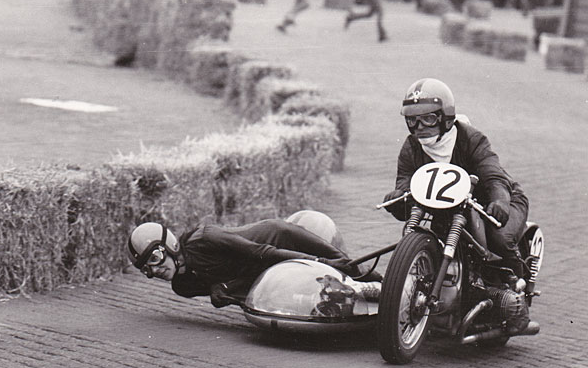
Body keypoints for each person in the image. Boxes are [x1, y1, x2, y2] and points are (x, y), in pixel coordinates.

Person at [382, 78, 530, 281]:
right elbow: (406, 185)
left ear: (446, 118)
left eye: (428, 119)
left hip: (496, 202)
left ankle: (516, 295)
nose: (419, 127)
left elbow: (494, 176)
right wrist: (399, 198)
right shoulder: (411, 148)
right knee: (431, 238)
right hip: (453, 210)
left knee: (499, 239)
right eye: (412, 120)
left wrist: (500, 201)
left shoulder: (471, 139)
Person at [127, 214, 381, 308]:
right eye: (147, 270)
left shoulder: (204, 238)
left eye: (156, 258)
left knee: (345, 267)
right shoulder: (183, 286)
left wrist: (317, 259)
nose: (155, 269)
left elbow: (262, 253)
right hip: (266, 270)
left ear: (170, 245)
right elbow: (244, 293)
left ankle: (388, 286)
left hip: (281, 240)